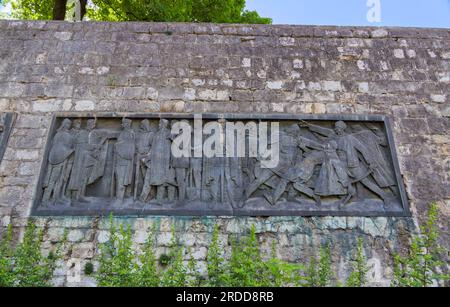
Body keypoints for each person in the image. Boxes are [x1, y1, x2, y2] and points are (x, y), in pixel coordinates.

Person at [140, 119, 175, 202]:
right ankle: (143, 198)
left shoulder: (168, 133)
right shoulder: (156, 134)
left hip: (163, 163)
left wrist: (171, 162)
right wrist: (147, 158)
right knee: (149, 179)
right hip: (154, 162)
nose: (158, 125)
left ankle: (159, 200)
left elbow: (174, 147)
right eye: (159, 123)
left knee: (161, 182)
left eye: (160, 123)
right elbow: (153, 148)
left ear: (163, 124)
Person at [42, 119, 74, 203]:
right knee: (53, 180)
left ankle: (56, 198)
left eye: (70, 124)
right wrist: (68, 151)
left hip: (62, 158)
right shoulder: (61, 135)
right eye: (67, 123)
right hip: (58, 159)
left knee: (60, 180)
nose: (68, 125)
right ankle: (45, 200)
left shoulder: (63, 134)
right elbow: (59, 146)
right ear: (63, 124)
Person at [113, 118, 135, 202]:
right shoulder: (124, 133)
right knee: (120, 179)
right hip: (120, 160)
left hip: (124, 160)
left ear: (128, 124)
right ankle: (120, 197)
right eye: (123, 123)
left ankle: (120, 199)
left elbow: (129, 146)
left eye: (124, 123)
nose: (122, 125)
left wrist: (117, 146)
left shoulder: (130, 133)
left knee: (121, 180)